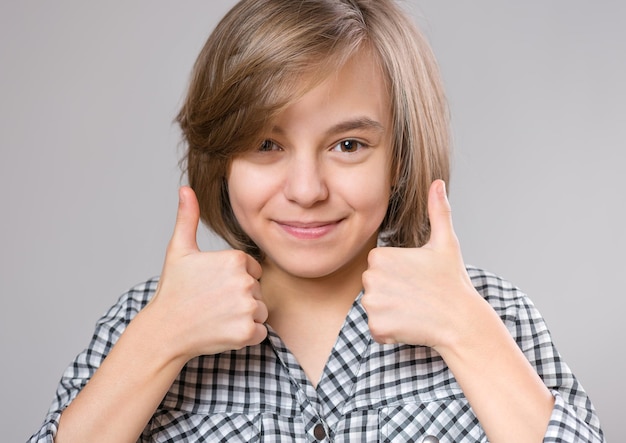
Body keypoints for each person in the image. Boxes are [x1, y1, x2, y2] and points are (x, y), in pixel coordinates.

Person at [30, 0, 604, 441]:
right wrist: (157, 344)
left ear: (399, 155)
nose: (306, 190)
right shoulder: (142, 323)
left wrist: (466, 332)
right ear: (222, 156)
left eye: (349, 144)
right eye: (265, 144)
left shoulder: (496, 317)